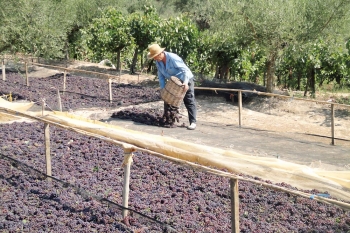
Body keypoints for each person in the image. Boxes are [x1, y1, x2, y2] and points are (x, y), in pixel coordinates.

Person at [147, 43, 197, 130]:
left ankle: (193, 122)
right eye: (153, 57)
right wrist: (163, 89)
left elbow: (184, 70)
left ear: (160, 53)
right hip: (173, 81)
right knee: (168, 99)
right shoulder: (158, 62)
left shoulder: (173, 58)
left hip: (185, 78)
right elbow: (161, 76)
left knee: (188, 100)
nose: (154, 58)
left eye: (155, 56)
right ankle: (168, 120)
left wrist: (185, 83)